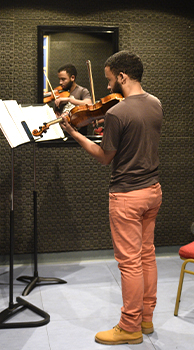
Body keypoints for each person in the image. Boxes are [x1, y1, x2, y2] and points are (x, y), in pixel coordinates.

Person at [59, 51, 163, 346]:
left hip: (127, 195)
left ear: (122, 77)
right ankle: (146, 319)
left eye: (108, 80)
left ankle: (129, 327)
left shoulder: (117, 113)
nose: (106, 88)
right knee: (147, 255)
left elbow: (106, 158)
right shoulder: (156, 104)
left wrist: (75, 134)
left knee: (129, 263)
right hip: (153, 191)